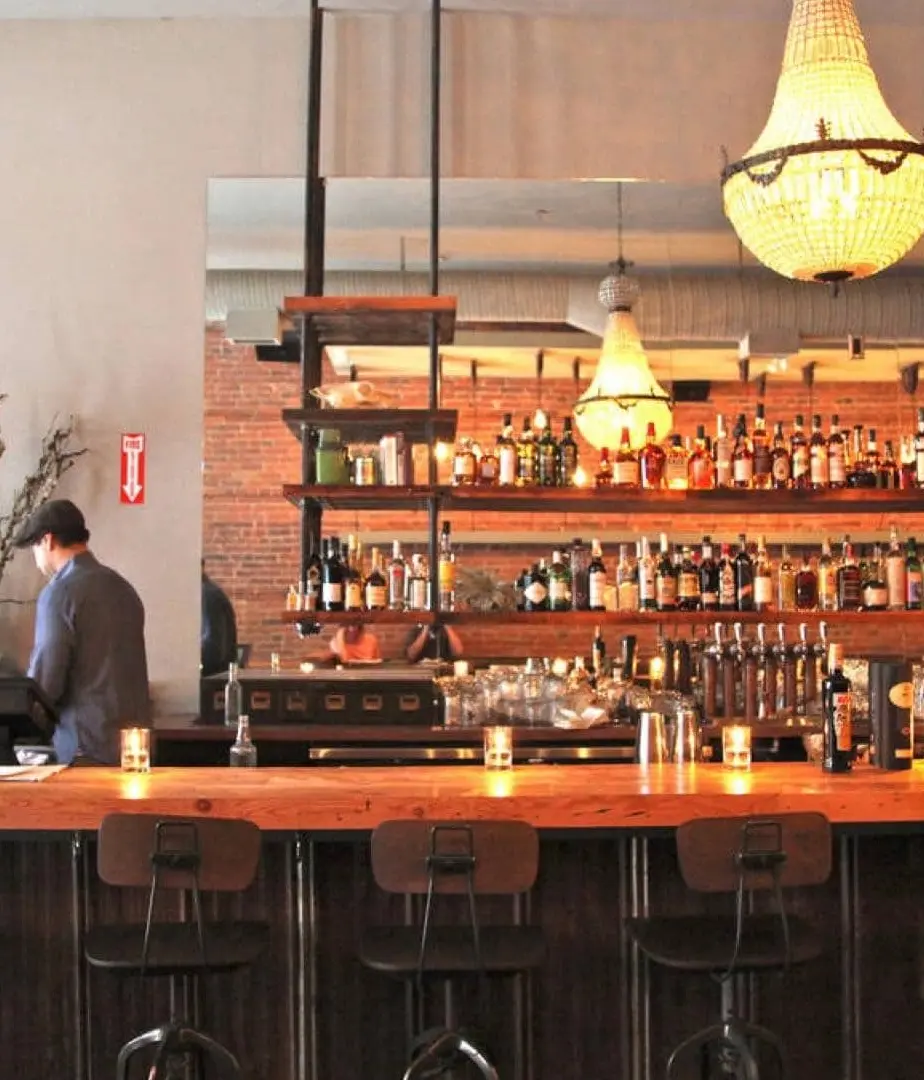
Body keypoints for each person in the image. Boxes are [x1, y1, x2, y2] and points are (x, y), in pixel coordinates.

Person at [13, 499, 150, 765]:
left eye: (34, 547)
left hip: (83, 751)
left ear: (47, 541)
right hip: (134, 751)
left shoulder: (59, 593)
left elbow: (45, 685)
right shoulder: (123, 588)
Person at [201, 560, 238, 676]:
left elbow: (213, 648)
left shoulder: (208, 595)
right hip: (220, 673)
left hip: (214, 677)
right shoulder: (208, 592)